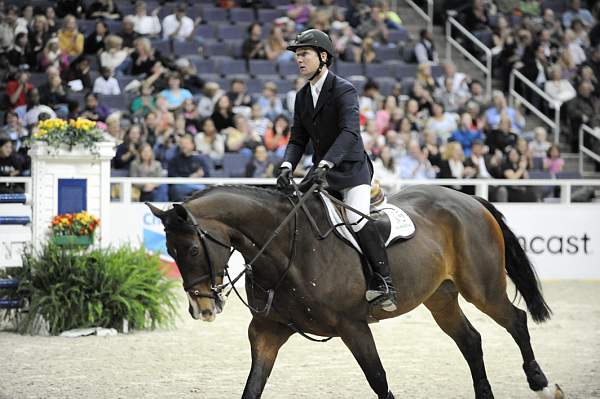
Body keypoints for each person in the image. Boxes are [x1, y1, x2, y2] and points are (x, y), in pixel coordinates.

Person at [275, 29, 397, 311]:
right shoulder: (302, 96)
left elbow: (349, 133)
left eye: (304, 54)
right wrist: (285, 166)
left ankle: (385, 282)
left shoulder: (343, 89)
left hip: (351, 169)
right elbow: (297, 139)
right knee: (296, 213)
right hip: (322, 171)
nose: (299, 60)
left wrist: (325, 163)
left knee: (355, 220)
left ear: (323, 56)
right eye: (297, 55)